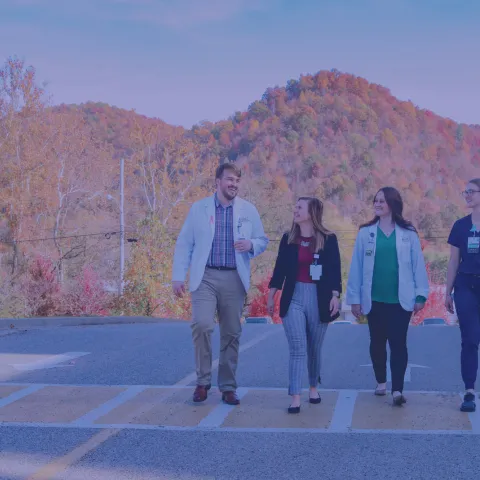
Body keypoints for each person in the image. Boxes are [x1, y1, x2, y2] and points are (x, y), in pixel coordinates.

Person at [172, 162, 268, 405]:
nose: (233, 184)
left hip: (234, 277)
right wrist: (177, 276)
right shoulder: (199, 209)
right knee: (202, 325)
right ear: (217, 181)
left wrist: (252, 246)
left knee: (232, 332)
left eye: (237, 180)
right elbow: (185, 244)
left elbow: (262, 239)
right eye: (229, 179)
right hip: (205, 277)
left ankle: (227, 387)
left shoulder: (248, 210)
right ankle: (203, 382)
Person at [346, 187, 429, 406]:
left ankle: (397, 390)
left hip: (401, 300)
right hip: (374, 299)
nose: (378, 204)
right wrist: (354, 298)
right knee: (377, 343)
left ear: (392, 204)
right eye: (376, 201)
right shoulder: (366, 233)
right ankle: (381, 381)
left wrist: (421, 294)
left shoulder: (408, 233)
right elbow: (357, 266)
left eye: (382, 201)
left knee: (399, 343)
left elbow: (418, 265)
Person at [267, 197, 341, 414]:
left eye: (300, 207)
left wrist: (335, 296)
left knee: (314, 348)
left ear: (312, 212)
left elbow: (335, 271)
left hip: (318, 298)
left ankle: (313, 387)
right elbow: (279, 270)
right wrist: (271, 296)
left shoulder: (328, 239)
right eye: (295, 206)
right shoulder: (288, 239)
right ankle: (295, 396)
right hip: (294, 297)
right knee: (298, 348)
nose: (295, 210)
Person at [445, 178, 480, 413]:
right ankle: (469, 390)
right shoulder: (460, 225)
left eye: (471, 191)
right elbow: (453, 261)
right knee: (469, 339)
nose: (467, 195)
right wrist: (447, 292)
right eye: (464, 191)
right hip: (466, 285)